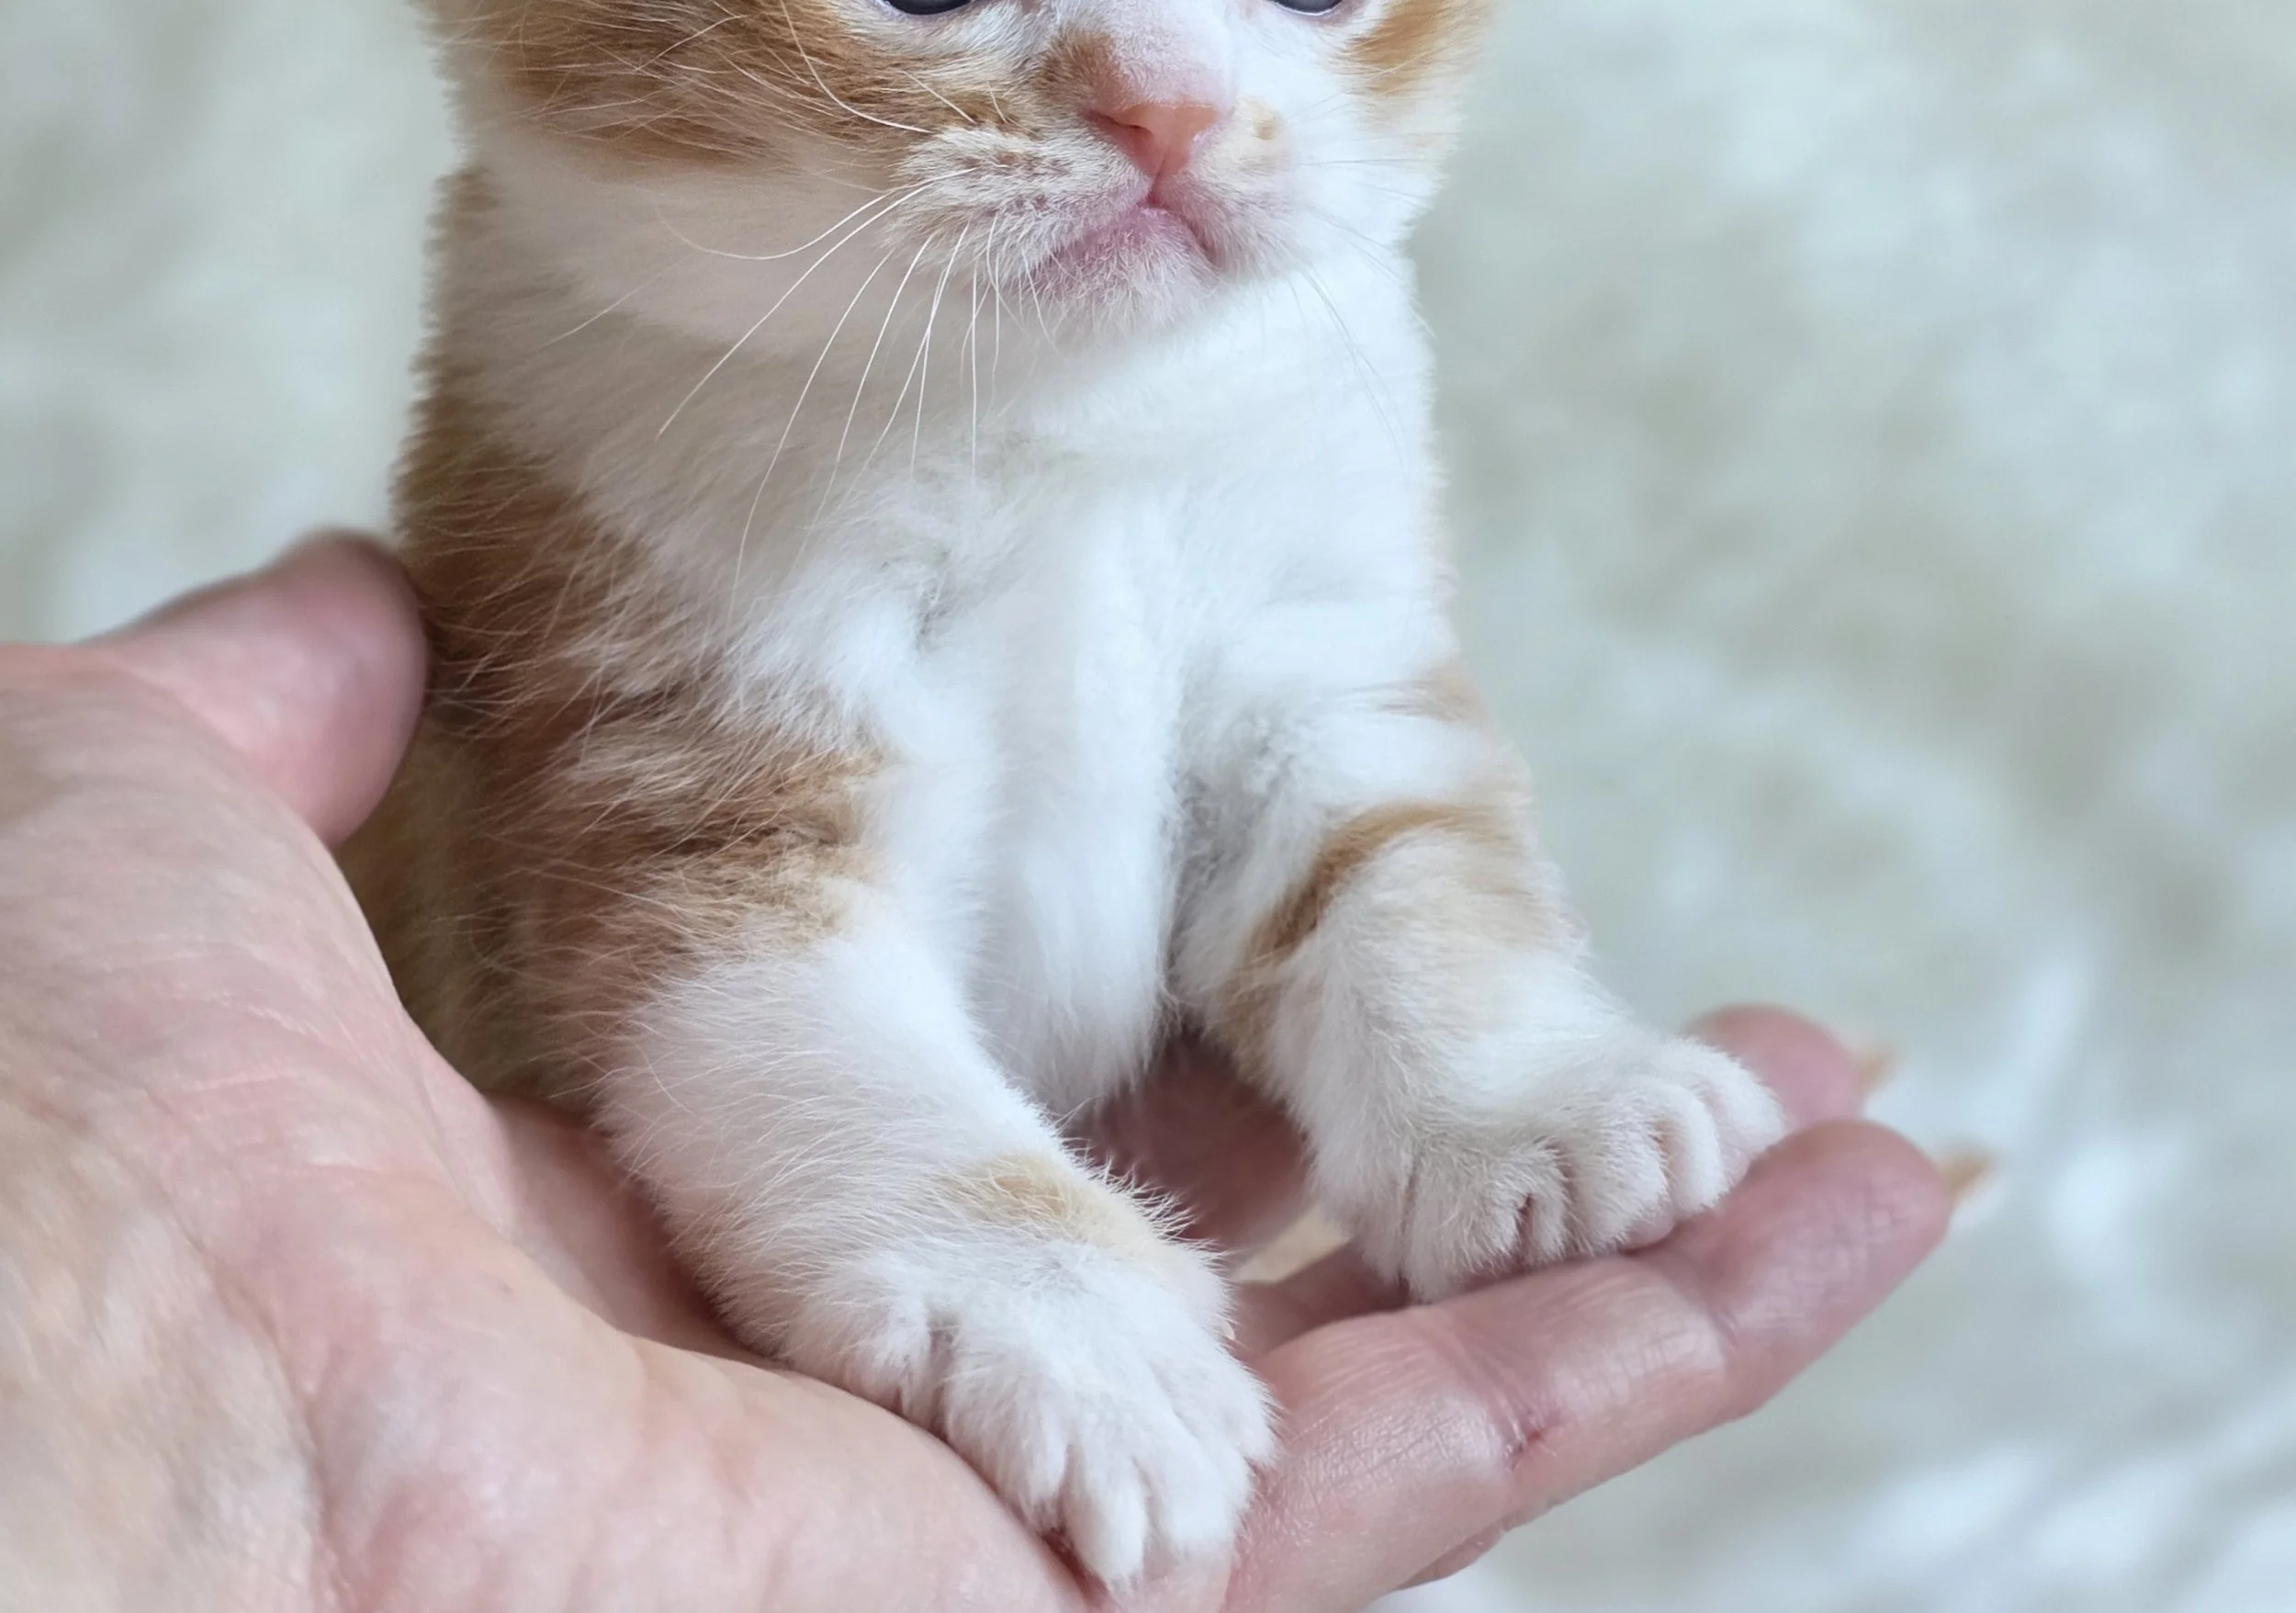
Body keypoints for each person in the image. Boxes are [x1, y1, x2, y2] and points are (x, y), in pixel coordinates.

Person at [0, 536, 1948, 1609]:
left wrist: (1479, 1056)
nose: (1171, 106)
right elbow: (711, 890)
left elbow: (1326, 741)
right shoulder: (653, 416)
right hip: (555, 1257)